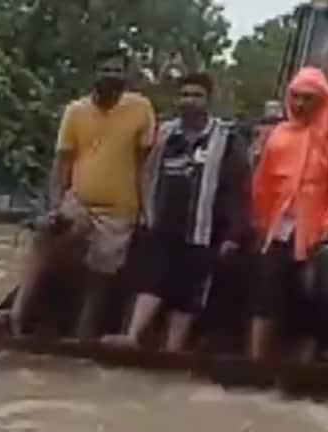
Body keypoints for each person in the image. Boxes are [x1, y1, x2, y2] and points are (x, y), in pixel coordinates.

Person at [10, 47, 156, 338]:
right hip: (78, 202)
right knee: (47, 240)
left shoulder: (141, 108)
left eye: (117, 70)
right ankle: (17, 316)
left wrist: (147, 211)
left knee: (99, 278)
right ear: (94, 74)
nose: (111, 76)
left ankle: (82, 337)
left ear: (126, 76)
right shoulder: (75, 111)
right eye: (106, 70)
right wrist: (55, 207)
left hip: (120, 210)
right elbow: (61, 165)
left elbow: (145, 167)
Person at [103, 73, 251, 352]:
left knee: (187, 295)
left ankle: (173, 350)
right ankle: (133, 337)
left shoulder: (227, 138)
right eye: (184, 95)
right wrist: (145, 216)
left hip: (203, 230)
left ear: (209, 100)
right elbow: (146, 175)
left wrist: (234, 234)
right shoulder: (164, 134)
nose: (189, 102)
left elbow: (238, 189)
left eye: (196, 96)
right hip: (162, 226)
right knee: (152, 281)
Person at [249, 66, 328, 363]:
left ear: (323, 100)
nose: (300, 105)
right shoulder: (278, 135)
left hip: (317, 237)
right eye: (296, 97)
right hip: (278, 231)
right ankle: (256, 363)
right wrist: (260, 223)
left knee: (311, 301)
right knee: (265, 295)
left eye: (308, 98)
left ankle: (304, 368)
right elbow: (263, 185)